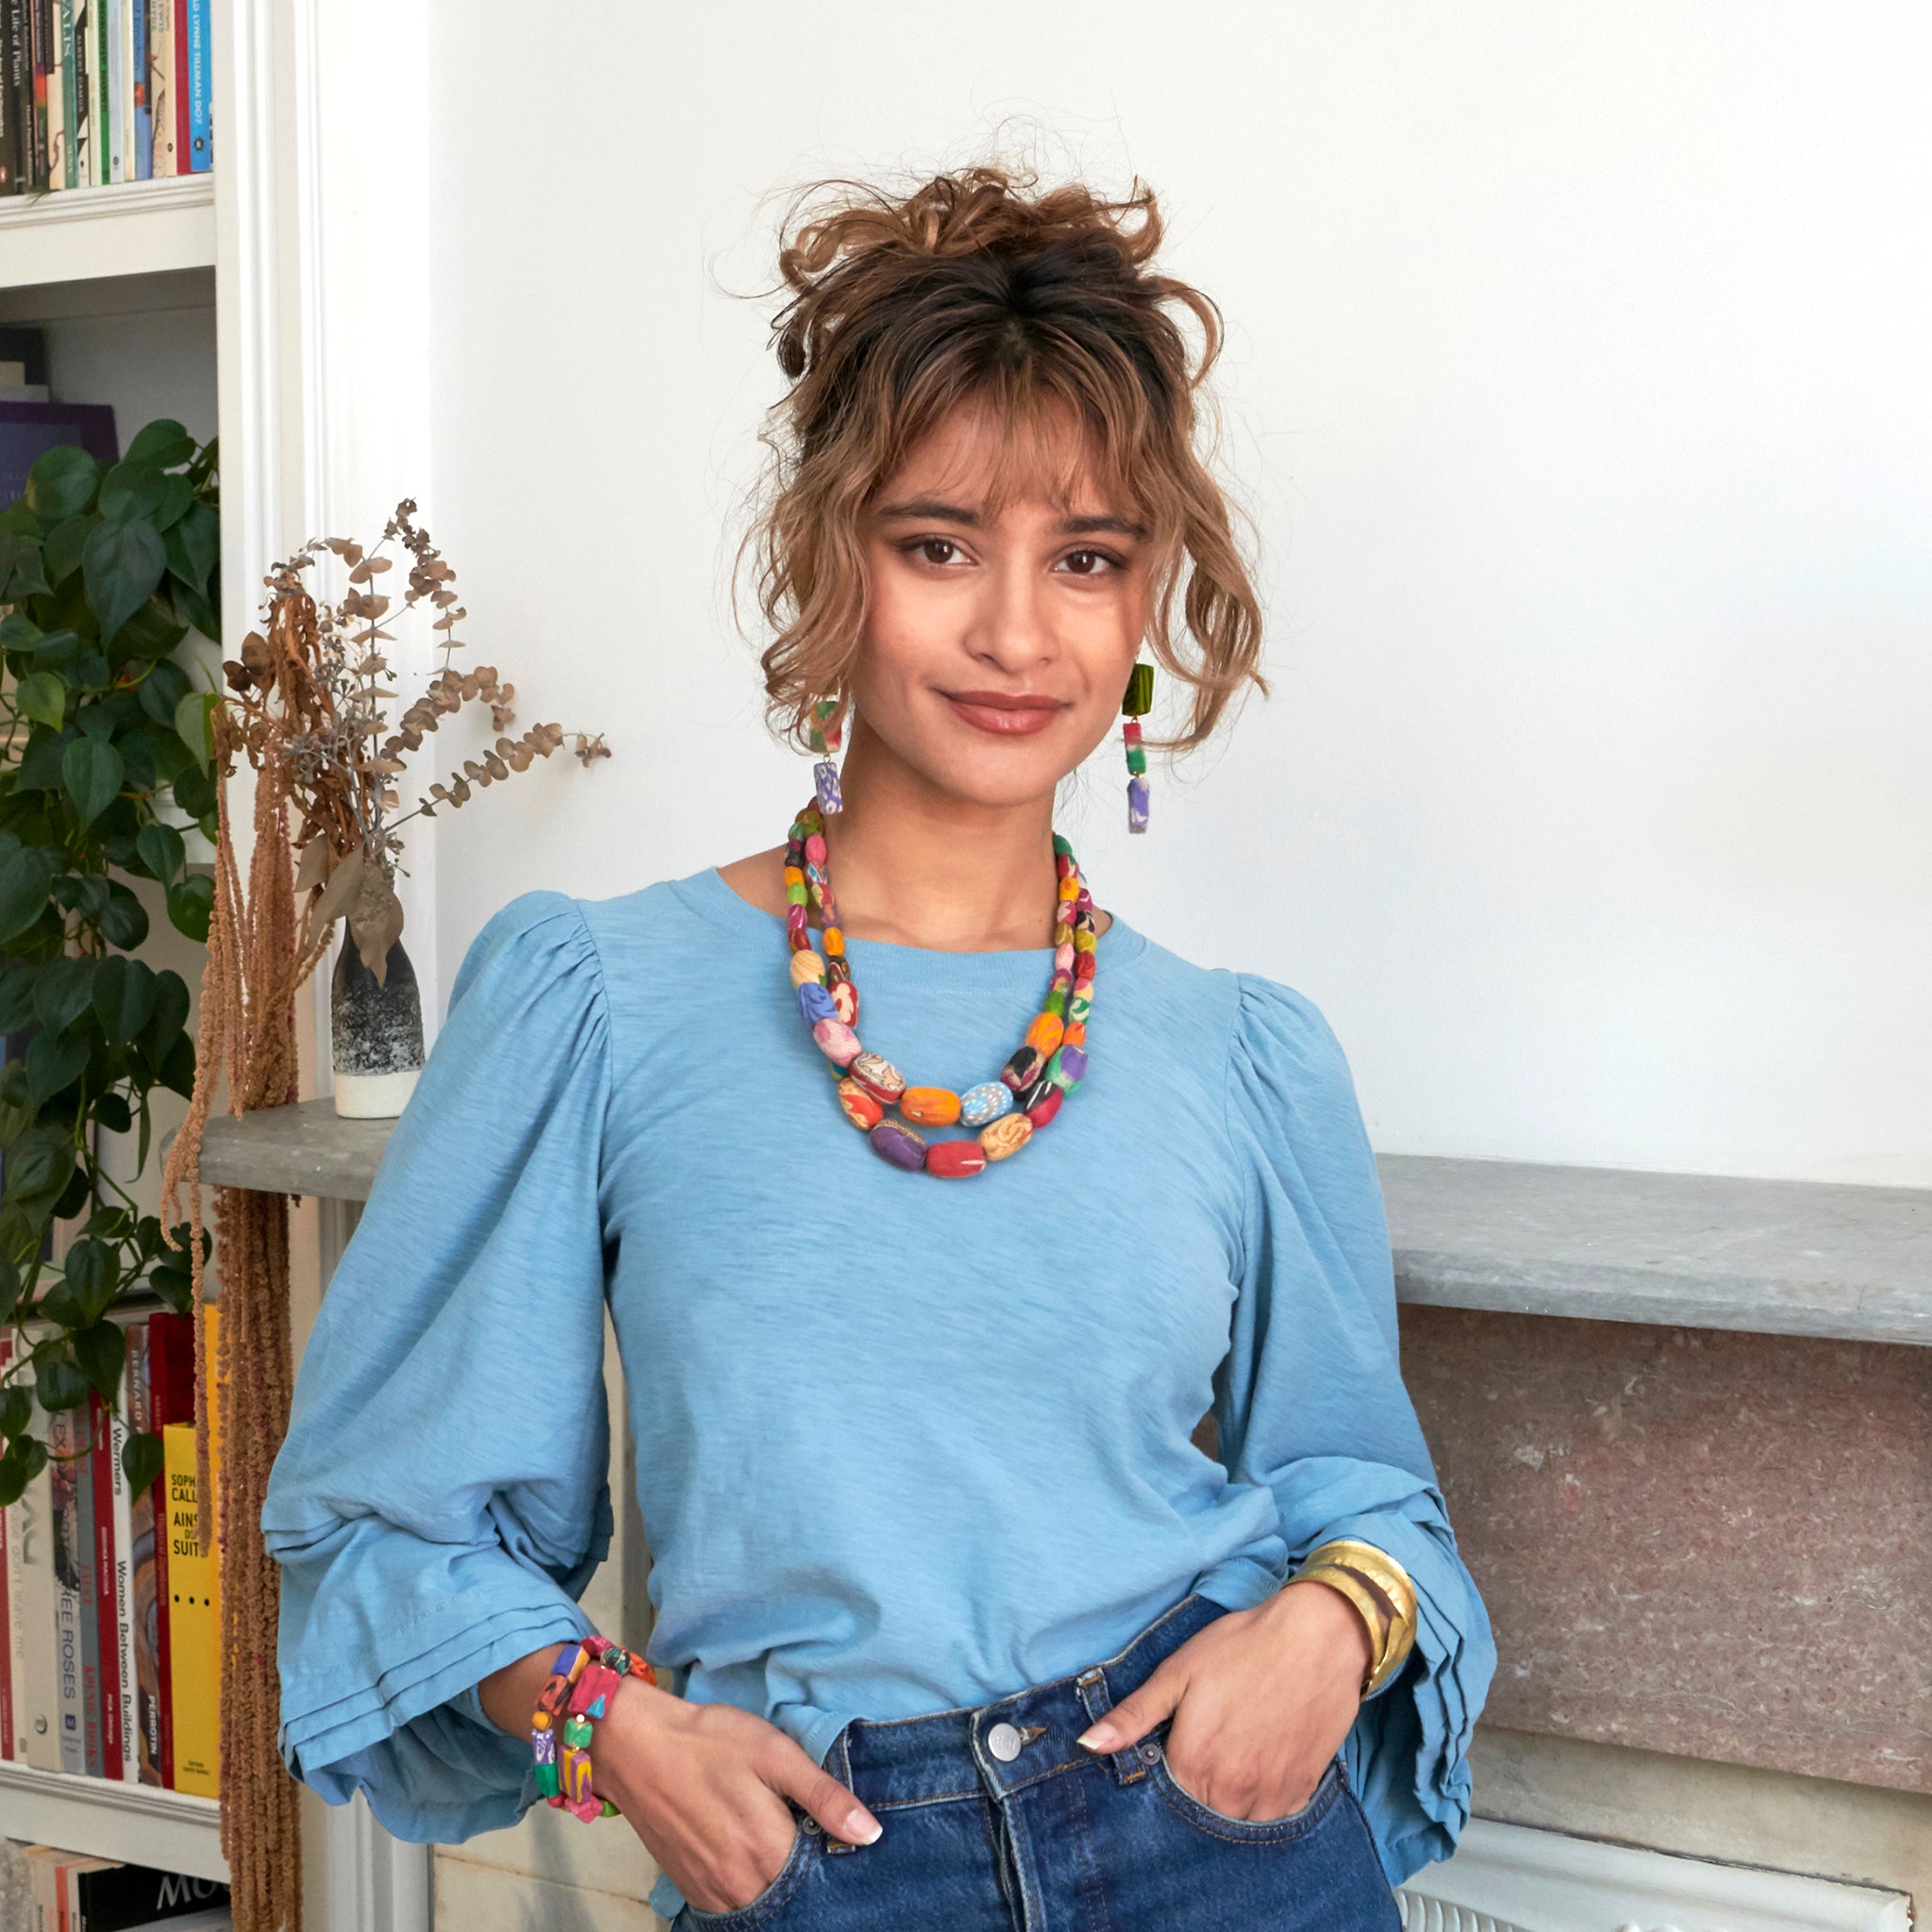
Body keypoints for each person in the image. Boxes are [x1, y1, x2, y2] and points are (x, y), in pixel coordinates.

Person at [263, 163, 1495, 1931]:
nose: (1015, 632)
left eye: (1087, 559)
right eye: (939, 546)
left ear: (1148, 609)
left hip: (1221, 1847)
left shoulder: (1245, 1058)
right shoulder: (598, 1001)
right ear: (830, 560)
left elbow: (1374, 1497)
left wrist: (1325, 1624)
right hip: (826, 1860)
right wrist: (609, 1725)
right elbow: (391, 1522)